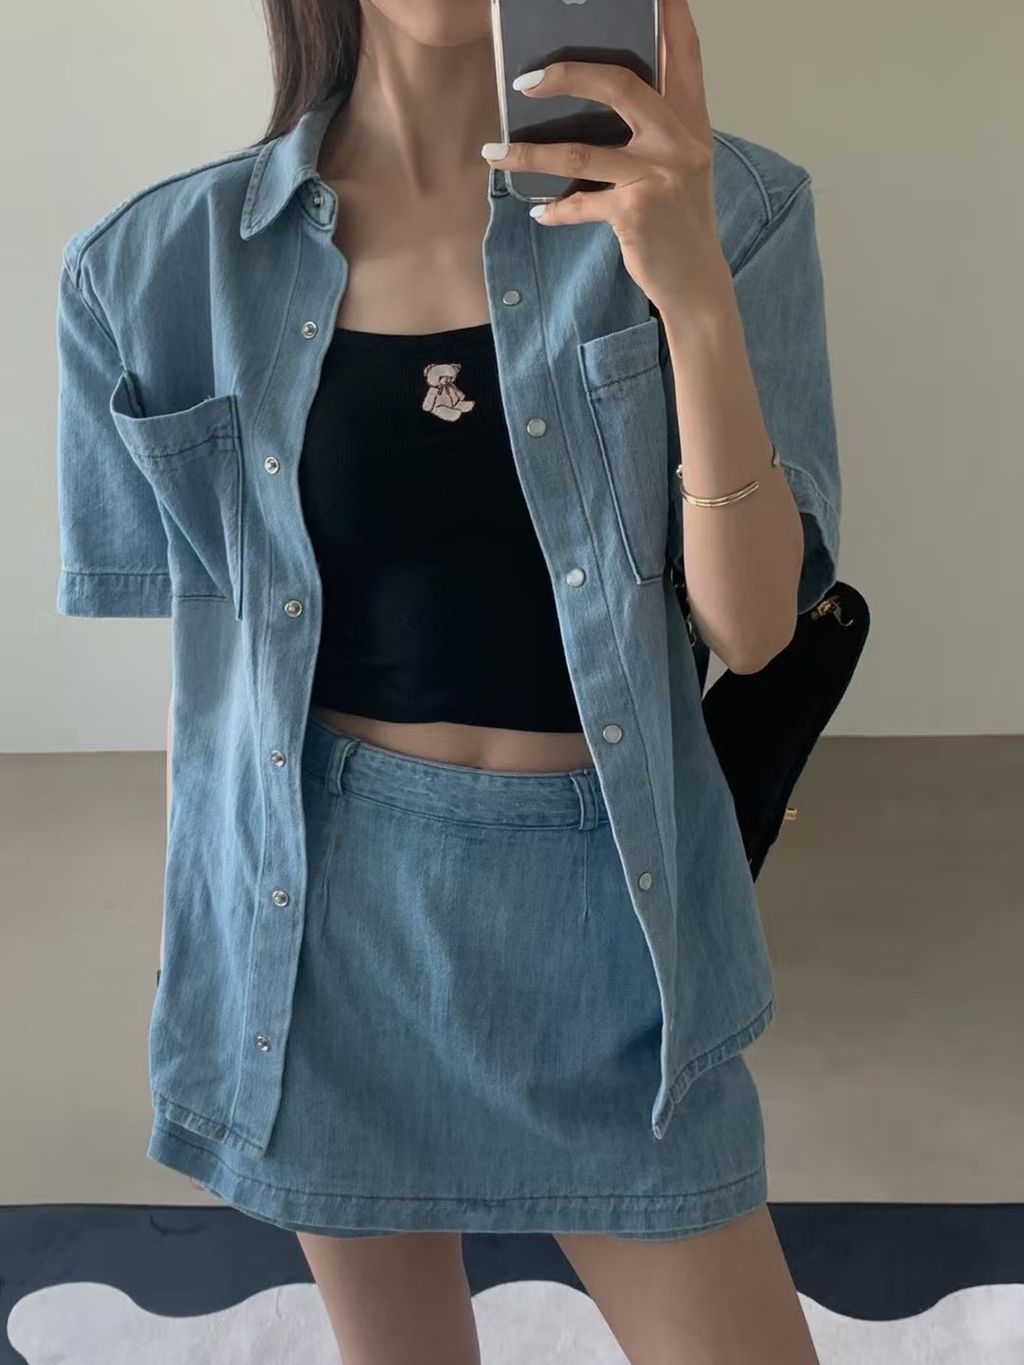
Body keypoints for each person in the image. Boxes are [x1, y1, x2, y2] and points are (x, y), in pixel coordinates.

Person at [55, 0, 840, 1359]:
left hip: (613, 928)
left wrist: (692, 288)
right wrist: (210, 964)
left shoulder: (735, 204)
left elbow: (756, 623)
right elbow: (215, 675)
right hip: (324, 929)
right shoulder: (153, 265)